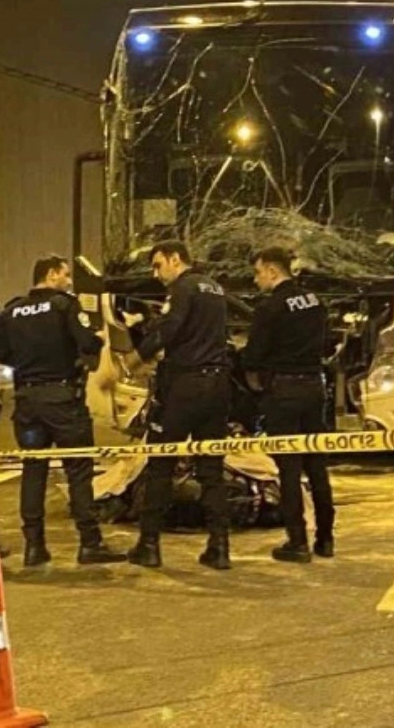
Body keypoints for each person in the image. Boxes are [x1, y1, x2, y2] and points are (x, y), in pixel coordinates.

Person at [0, 255, 126, 566]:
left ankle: (34, 546)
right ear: (51, 275)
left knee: (33, 470)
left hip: (27, 402)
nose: (68, 281)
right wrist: (97, 340)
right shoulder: (65, 305)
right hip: (63, 400)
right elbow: (87, 344)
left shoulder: (12, 311)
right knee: (78, 470)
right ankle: (89, 543)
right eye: (65, 275)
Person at [119, 241, 232, 570]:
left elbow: (170, 329)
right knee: (212, 468)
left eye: (158, 265)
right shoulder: (214, 288)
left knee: (161, 463)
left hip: (184, 386)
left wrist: (135, 358)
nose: (156, 274)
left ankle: (149, 544)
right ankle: (219, 546)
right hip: (216, 386)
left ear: (175, 259)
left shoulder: (182, 288)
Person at [241, 247, 335, 563]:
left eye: (258, 273)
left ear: (272, 270)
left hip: (284, 390)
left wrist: (258, 384)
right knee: (317, 465)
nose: (256, 280)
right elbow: (327, 343)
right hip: (315, 387)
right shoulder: (315, 301)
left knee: (289, 468)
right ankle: (325, 538)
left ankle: (297, 541)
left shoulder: (270, 307)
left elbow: (253, 356)